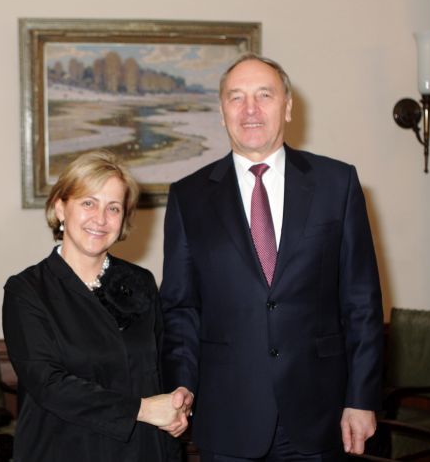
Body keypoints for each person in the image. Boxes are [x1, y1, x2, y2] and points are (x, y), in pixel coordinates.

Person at [161, 53, 384, 461]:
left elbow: (361, 301)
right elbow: (180, 308)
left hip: (321, 414)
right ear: (222, 111)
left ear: (288, 106)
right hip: (228, 417)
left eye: (264, 95)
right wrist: (181, 385)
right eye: (236, 97)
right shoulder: (187, 197)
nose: (250, 109)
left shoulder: (338, 184)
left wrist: (361, 398)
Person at [3, 150, 187, 461]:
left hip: (142, 450)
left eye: (113, 208)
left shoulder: (141, 281)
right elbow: (49, 384)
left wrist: (179, 399)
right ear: (60, 208)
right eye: (88, 203)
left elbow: (160, 365)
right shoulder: (27, 290)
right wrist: (142, 409)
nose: (100, 219)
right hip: (64, 449)